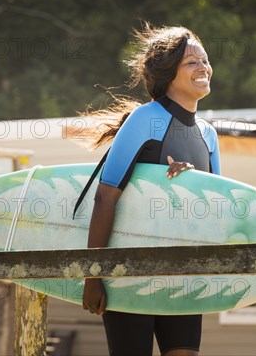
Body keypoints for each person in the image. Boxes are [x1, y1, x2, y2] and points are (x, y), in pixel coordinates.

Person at [80, 22, 220, 356]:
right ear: (169, 73)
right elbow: (105, 196)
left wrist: (190, 182)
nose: (204, 68)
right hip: (130, 270)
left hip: (183, 273)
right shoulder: (145, 120)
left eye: (205, 60)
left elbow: (215, 206)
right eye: (192, 62)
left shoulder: (208, 134)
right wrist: (93, 276)